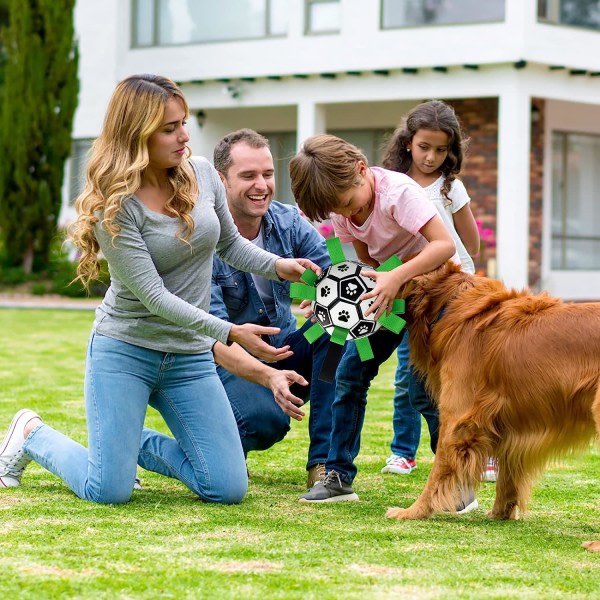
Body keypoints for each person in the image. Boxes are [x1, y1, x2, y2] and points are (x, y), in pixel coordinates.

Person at [0, 74, 318, 504]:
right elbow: (153, 296)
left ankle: (127, 446)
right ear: (138, 133)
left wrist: (282, 267)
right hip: (127, 349)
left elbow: (228, 244)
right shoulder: (113, 204)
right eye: (170, 128)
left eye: (183, 123)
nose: (184, 136)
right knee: (106, 490)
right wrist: (228, 331)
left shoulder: (202, 172)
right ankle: (32, 433)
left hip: (187, 358)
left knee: (226, 488)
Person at [288, 134, 470, 506]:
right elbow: (365, 265)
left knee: (425, 390)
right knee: (349, 372)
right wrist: (328, 301)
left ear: (360, 170)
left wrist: (396, 277)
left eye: (347, 203)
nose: (346, 214)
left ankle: (457, 485)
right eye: (337, 210)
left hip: (437, 297)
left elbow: (443, 246)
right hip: (391, 296)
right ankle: (337, 476)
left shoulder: (397, 193)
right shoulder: (342, 209)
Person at [211, 128, 335, 489]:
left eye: (267, 174)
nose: (261, 185)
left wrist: (324, 294)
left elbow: (331, 272)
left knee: (334, 329)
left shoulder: (290, 221)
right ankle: (225, 444)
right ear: (221, 180)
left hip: (284, 349)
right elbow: (212, 332)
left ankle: (325, 465)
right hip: (225, 360)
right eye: (248, 176)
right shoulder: (204, 235)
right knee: (264, 420)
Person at [377, 100, 494, 479]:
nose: (431, 157)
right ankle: (403, 451)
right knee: (407, 376)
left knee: (462, 379)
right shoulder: (392, 183)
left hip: (454, 293)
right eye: (424, 147)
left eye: (441, 150)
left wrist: (463, 271)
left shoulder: (450, 188)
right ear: (408, 142)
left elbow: (471, 242)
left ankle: (482, 453)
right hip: (409, 291)